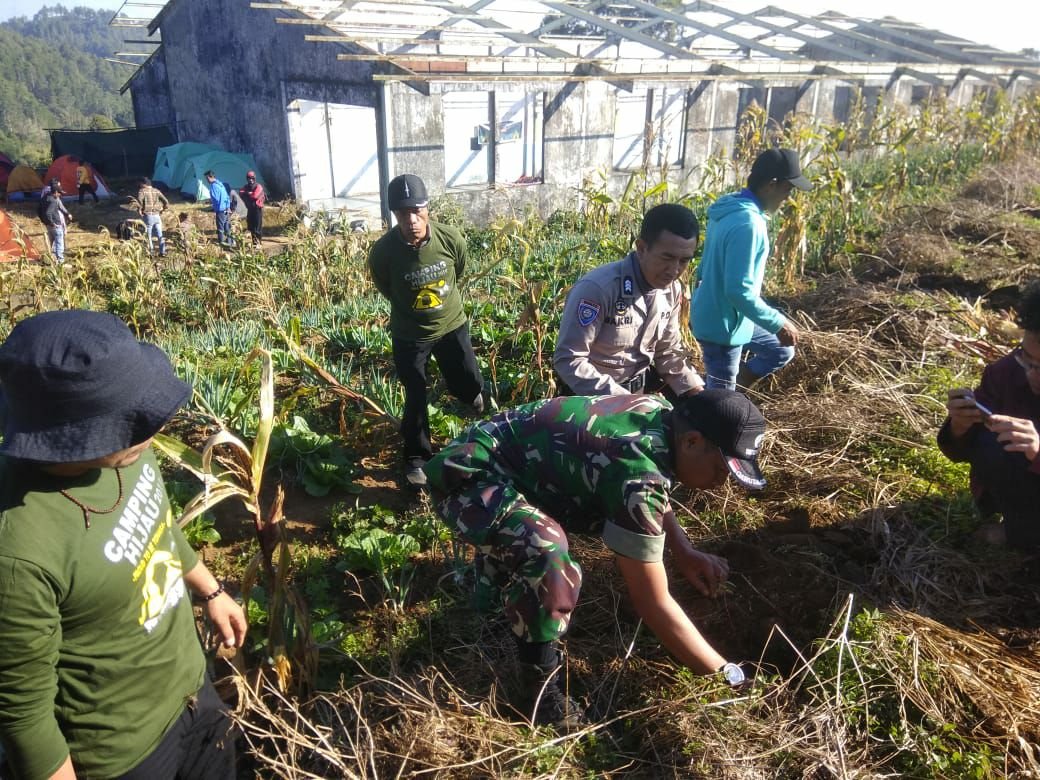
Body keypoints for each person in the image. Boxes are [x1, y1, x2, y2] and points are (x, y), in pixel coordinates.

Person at [0, 310, 247, 779]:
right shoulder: (18, 550)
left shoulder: (124, 450)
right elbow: (22, 713)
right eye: (129, 420)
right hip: (122, 755)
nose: (152, 428)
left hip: (195, 693)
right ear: (71, 435)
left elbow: (155, 520)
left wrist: (208, 588)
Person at [425, 389, 766, 727]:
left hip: (507, 465)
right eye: (721, 470)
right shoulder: (638, 472)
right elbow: (653, 602)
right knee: (547, 553)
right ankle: (542, 696)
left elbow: (652, 491)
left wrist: (684, 551)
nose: (722, 484)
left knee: (528, 536)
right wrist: (728, 675)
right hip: (466, 478)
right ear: (692, 442)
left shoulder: (662, 415)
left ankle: (488, 599)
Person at [367, 173, 484, 489]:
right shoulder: (383, 253)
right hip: (410, 336)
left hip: (451, 325)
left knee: (468, 380)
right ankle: (417, 458)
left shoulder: (450, 239)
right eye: (403, 213)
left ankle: (470, 396)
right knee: (415, 395)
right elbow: (385, 286)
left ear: (427, 208)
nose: (411, 219)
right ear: (394, 215)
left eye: (417, 210)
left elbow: (460, 268)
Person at [554, 203, 705, 397]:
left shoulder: (671, 290)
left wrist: (698, 396)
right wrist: (624, 401)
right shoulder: (598, 289)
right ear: (641, 248)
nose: (674, 270)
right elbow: (569, 359)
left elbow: (667, 353)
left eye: (684, 260)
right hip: (591, 403)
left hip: (639, 395)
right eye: (667, 258)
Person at [691, 148, 810, 390]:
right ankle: (710, 410)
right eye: (787, 189)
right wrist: (778, 322)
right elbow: (738, 291)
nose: (788, 197)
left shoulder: (728, 209)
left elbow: (704, 268)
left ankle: (738, 384)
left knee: (780, 349)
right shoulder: (748, 224)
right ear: (771, 185)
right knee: (720, 404)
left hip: (721, 313)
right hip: (723, 326)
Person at [938, 280, 1040, 550]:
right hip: (1025, 490)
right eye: (1028, 360)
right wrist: (960, 425)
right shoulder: (1003, 374)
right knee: (991, 444)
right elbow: (965, 451)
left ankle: (1020, 536)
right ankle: (1021, 528)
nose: (1032, 373)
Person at [136, 176, 169, 257]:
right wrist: (163, 210)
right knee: (160, 235)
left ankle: (151, 252)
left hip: (148, 216)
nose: (139, 185)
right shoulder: (156, 191)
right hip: (157, 216)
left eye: (140, 183)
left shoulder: (142, 191)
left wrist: (139, 210)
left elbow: (139, 202)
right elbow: (166, 201)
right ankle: (163, 252)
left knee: (148, 236)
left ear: (143, 184)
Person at [40, 182, 71, 265]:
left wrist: (45, 221)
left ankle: (53, 260)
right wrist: (52, 223)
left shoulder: (45, 197)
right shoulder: (53, 201)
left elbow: (38, 210)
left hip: (48, 225)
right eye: (59, 193)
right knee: (59, 243)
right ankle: (60, 262)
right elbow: (48, 213)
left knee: (53, 243)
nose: (60, 195)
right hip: (55, 224)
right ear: (56, 192)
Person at [204, 170, 235, 248]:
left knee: (220, 228)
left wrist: (211, 202)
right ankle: (230, 242)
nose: (206, 180)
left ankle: (222, 244)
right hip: (226, 209)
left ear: (210, 177)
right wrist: (228, 207)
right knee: (227, 226)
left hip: (220, 210)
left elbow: (216, 198)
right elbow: (227, 197)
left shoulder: (213, 186)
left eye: (206, 178)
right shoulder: (220, 184)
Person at [239, 170, 266, 246]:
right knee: (251, 227)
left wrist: (247, 194)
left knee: (257, 227)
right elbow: (241, 192)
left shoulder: (258, 186)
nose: (250, 180)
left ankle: (259, 243)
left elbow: (255, 195)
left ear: (254, 178)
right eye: (249, 178)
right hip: (250, 209)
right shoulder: (246, 187)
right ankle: (254, 243)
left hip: (257, 209)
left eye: (252, 178)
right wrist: (248, 193)